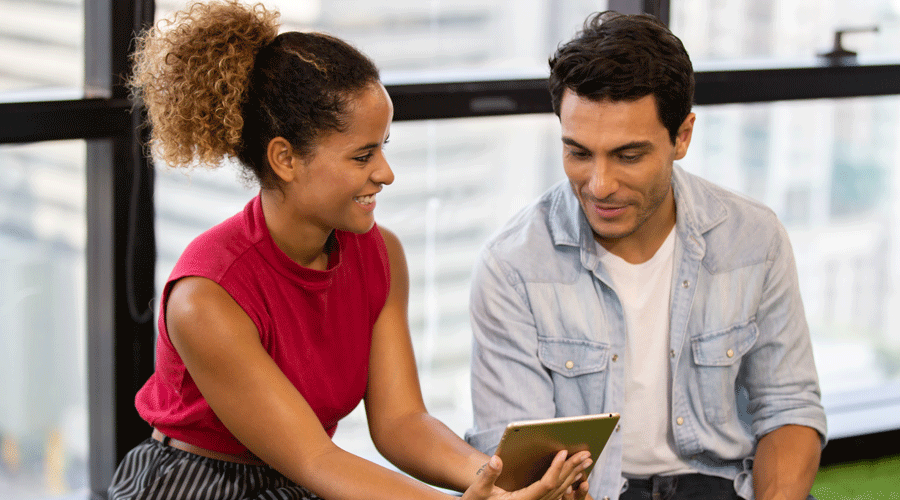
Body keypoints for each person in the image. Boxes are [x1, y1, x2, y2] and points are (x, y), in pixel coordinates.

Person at [107, 2, 594, 499]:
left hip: (304, 480)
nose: (385, 173)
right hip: (197, 484)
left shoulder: (380, 254)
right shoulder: (206, 296)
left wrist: (494, 481)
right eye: (363, 155)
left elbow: (401, 422)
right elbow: (313, 458)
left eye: (383, 146)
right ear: (284, 158)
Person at [465, 11, 827, 500]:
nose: (599, 185)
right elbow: (518, 462)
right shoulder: (513, 266)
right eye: (578, 152)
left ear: (682, 137)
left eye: (628, 156)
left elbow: (788, 407)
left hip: (721, 486)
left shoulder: (753, 238)